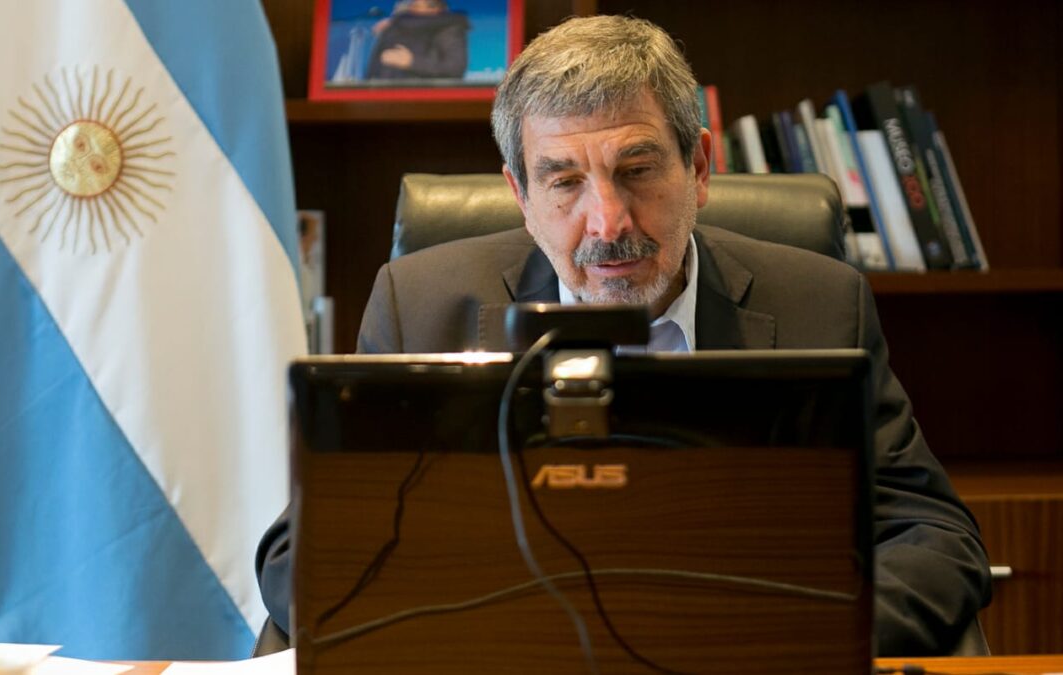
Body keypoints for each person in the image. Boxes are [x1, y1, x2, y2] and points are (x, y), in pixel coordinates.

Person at [257, 14, 991, 656]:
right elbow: (303, 552)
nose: (608, 223)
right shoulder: (421, 306)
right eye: (564, 181)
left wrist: (783, 641)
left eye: (636, 169)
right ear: (520, 195)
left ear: (698, 167)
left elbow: (932, 535)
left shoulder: (819, 304)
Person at [365, 0, 469, 80]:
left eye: (416, 6)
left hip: (429, 96)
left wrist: (412, 62)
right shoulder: (394, 29)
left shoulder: (448, 30)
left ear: (436, 9)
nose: (411, 9)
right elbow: (373, 72)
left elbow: (454, 69)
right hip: (387, 96)